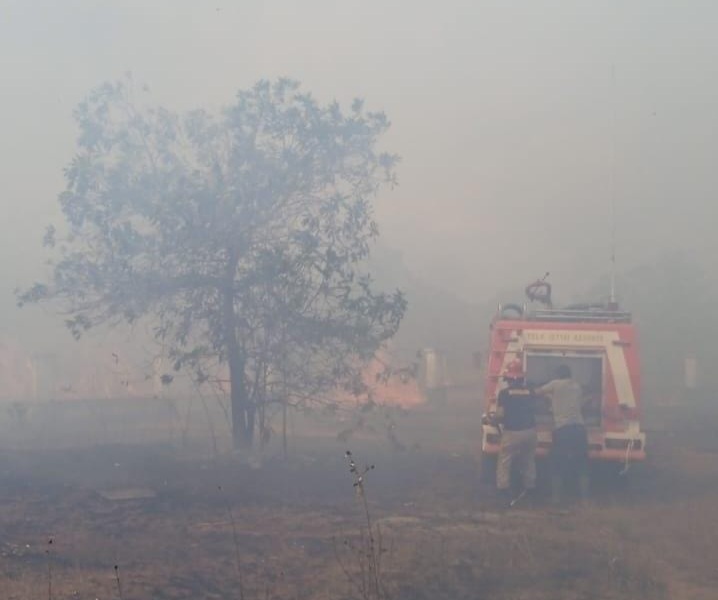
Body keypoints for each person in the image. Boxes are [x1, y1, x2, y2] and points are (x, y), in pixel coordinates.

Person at [535, 364, 589, 504]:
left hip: (563, 429)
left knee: (557, 462)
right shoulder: (577, 386)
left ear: (558, 374)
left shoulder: (555, 384)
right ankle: (585, 499)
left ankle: (556, 499)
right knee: (582, 463)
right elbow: (570, 401)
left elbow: (537, 392)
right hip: (579, 428)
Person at [495, 359, 539, 507]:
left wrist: (493, 419)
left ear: (508, 378)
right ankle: (530, 489)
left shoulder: (504, 393)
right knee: (528, 460)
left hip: (512, 432)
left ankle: (503, 489)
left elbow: (500, 415)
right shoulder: (530, 392)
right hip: (530, 431)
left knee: (505, 460)